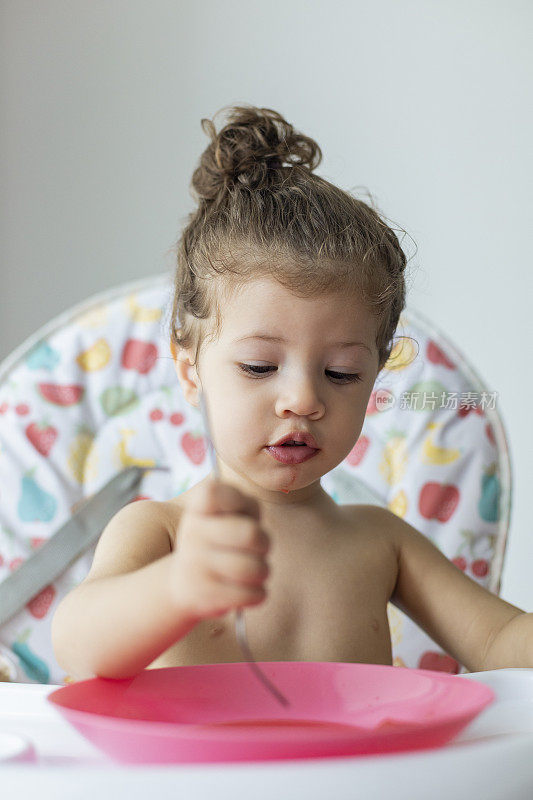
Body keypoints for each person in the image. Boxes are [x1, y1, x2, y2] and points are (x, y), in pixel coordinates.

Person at [52, 105, 529, 682]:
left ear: (376, 377)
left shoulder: (381, 543)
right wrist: (176, 588)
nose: (303, 399)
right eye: (258, 366)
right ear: (190, 371)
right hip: (193, 776)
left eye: (343, 373)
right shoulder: (164, 532)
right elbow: (78, 650)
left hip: (353, 775)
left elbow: (501, 640)